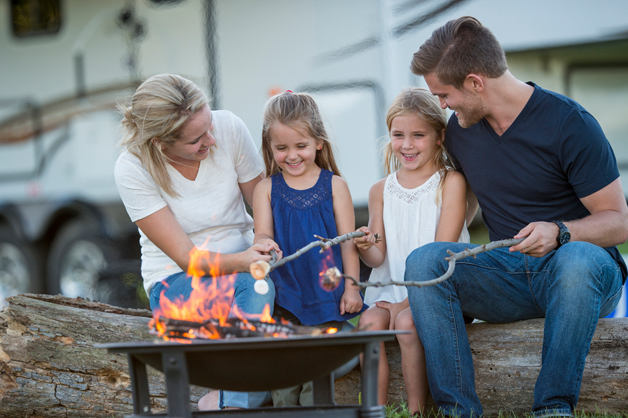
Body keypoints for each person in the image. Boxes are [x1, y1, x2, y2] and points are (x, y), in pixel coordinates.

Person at [405, 16, 628, 418]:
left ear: (475, 83)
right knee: (424, 261)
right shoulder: (461, 130)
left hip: (582, 271)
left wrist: (560, 232)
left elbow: (618, 222)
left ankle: (552, 408)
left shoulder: (569, 124)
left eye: (444, 94)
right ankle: (459, 411)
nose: (442, 106)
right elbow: (464, 200)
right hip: (508, 273)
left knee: (577, 261)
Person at [114, 74, 276, 411]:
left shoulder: (228, 126)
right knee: (255, 286)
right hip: (178, 284)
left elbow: (261, 198)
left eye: (210, 127)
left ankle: (246, 390)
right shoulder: (133, 168)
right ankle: (235, 402)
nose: (212, 140)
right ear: (160, 142)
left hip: (245, 266)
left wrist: (262, 238)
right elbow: (188, 259)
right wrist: (246, 261)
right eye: (197, 140)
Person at [353, 87, 469, 414]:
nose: (407, 144)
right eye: (398, 135)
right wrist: (365, 248)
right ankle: (374, 410)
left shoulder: (451, 182)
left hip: (435, 289)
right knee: (369, 324)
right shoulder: (380, 190)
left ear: (438, 136)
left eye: (418, 135)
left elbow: (441, 252)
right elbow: (378, 257)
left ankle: (416, 410)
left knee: (406, 323)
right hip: (388, 290)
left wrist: (406, 301)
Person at [253, 90, 366, 406]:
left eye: (301, 146)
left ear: (319, 142)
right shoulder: (266, 189)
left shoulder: (335, 186)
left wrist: (352, 288)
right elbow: (261, 231)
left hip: (325, 289)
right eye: (281, 148)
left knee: (316, 370)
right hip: (286, 291)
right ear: (269, 147)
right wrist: (262, 242)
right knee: (285, 371)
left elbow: (348, 244)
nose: (292, 155)